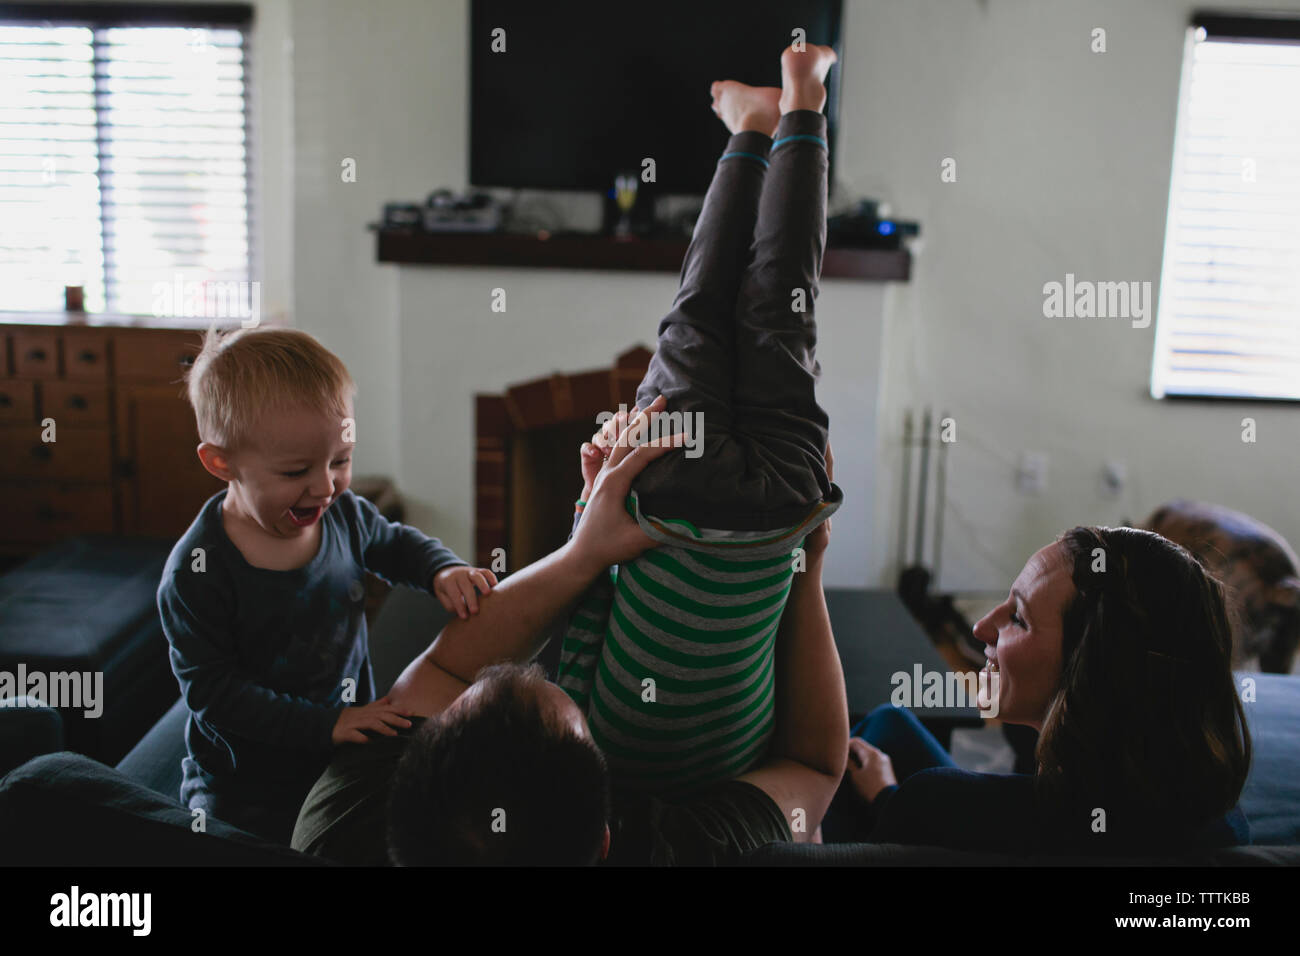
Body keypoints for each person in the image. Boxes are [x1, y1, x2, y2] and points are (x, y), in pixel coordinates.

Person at [290, 399, 850, 865]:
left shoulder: (343, 825)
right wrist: (809, 559)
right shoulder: (675, 851)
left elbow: (444, 669)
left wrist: (586, 548)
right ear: (607, 839)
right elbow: (816, 765)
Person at [555, 42, 844, 796]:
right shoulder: (586, 751)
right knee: (700, 306)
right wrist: (595, 493)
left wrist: (806, 550)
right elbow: (580, 612)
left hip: (782, 508)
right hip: (672, 498)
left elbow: (783, 674)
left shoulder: (739, 775)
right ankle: (751, 128)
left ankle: (803, 102)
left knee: (782, 307)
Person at [157, 327, 497, 844]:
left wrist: (441, 570)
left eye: (340, 460)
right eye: (296, 471)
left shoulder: (343, 515)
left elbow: (393, 543)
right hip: (247, 783)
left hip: (344, 747)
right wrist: (325, 723)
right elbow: (213, 694)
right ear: (221, 462)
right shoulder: (198, 571)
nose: (325, 486)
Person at [823, 526, 1253, 856]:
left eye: (1019, 619)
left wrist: (885, 797)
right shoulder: (1220, 817)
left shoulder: (933, 802)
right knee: (891, 720)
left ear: (1089, 673)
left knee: (845, 762)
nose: (981, 627)